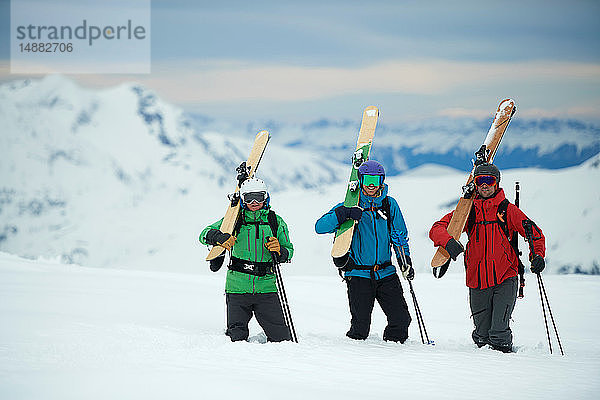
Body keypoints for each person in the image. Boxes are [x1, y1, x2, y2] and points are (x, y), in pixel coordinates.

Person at [429, 163, 546, 353]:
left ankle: (504, 371)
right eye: (480, 180)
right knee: (482, 337)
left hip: (505, 277)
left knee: (499, 334)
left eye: (489, 180)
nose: (484, 185)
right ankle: (483, 374)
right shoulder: (467, 211)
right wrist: (449, 243)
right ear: (475, 183)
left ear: (497, 183)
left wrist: (538, 255)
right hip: (477, 280)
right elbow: (436, 228)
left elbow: (533, 233)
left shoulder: (506, 210)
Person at [315, 160, 414, 343]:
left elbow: (399, 235)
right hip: (358, 274)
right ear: (360, 180)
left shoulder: (389, 205)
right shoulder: (349, 205)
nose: (371, 184)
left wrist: (404, 260)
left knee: (401, 320)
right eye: (367, 179)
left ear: (382, 181)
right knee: (360, 327)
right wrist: (343, 214)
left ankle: (396, 352)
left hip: (386, 272)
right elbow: (320, 227)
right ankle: (357, 361)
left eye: (375, 180)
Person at [199, 177, 294, 342]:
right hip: (237, 288)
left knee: (282, 339)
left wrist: (280, 250)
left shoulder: (275, 221)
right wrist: (219, 237)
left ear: (266, 197)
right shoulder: (234, 221)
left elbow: (289, 252)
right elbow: (203, 234)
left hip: (267, 288)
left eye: (259, 196)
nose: (255, 202)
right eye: (249, 198)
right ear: (243, 200)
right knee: (236, 339)